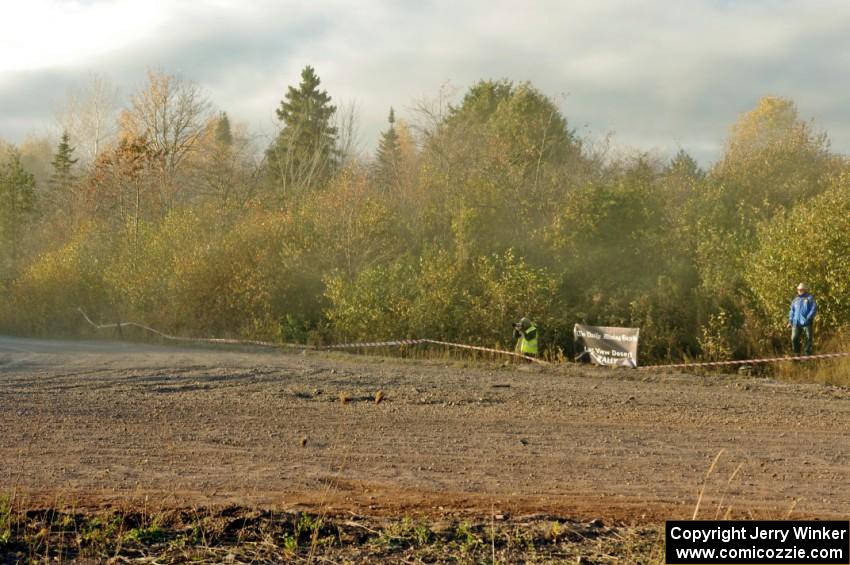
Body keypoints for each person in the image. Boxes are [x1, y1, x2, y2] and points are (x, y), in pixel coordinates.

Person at [787, 283, 817, 356]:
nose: (800, 290)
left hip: (806, 322)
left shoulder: (809, 298)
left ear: (804, 289)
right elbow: (791, 311)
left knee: (808, 339)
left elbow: (814, 308)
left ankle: (807, 355)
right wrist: (790, 321)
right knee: (794, 338)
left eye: (801, 289)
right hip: (796, 322)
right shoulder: (795, 300)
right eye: (799, 289)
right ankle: (796, 354)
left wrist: (808, 317)